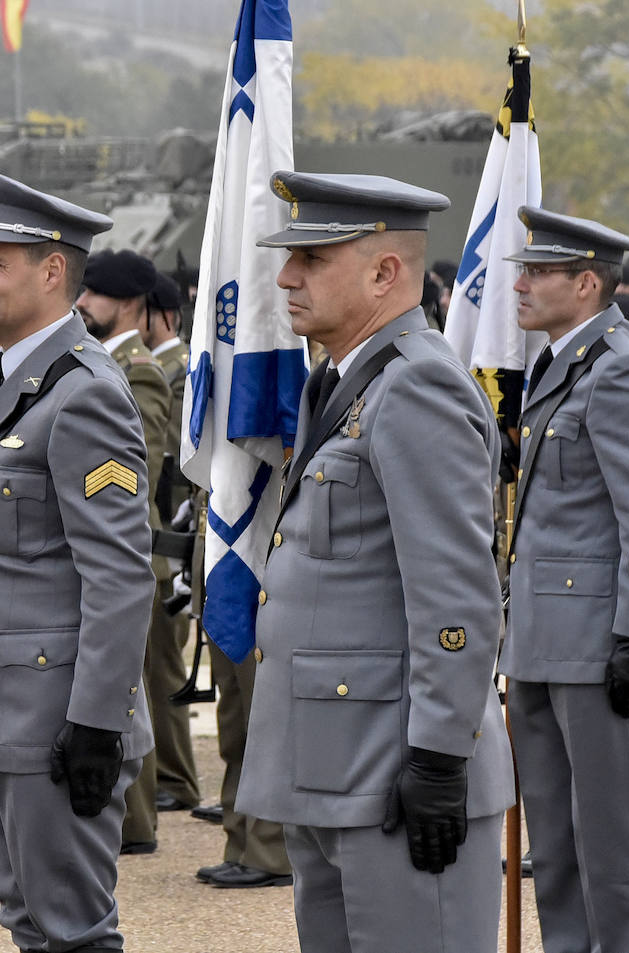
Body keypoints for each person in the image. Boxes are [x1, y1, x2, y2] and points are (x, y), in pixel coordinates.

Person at [235, 173, 514, 952]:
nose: (286, 276)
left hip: (393, 772)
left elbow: (457, 595)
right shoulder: (342, 380)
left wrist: (437, 757)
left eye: (312, 259)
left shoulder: (415, 382)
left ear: (385, 272)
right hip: (335, 766)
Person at [0, 168, 155, 953]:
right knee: (31, 922)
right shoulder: (8, 380)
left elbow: (121, 575)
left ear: (53, 270)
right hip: (3, 708)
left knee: (71, 932)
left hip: (54, 719)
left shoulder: (84, 390)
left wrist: (97, 721)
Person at [501, 206, 629, 953]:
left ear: (585, 283)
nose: (520, 283)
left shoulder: (621, 366)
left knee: (610, 840)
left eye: (538, 272)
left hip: (601, 642)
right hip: (543, 640)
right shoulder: (560, 360)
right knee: (556, 841)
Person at [75, 248, 176, 855]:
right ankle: (130, 818)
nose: (83, 303)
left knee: (124, 687)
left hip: (127, 548)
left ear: (132, 305)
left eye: (98, 295)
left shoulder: (137, 372)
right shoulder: (94, 365)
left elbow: (136, 467)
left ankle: (135, 822)